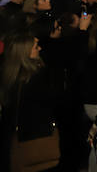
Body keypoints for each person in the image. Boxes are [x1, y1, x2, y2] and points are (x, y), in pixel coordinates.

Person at [0, 34, 60, 172]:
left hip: (15, 141)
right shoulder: (36, 78)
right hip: (37, 140)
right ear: (25, 52)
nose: (39, 49)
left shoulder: (9, 77)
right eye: (35, 47)